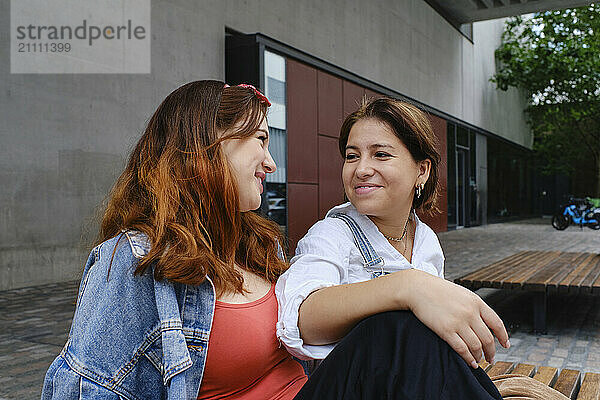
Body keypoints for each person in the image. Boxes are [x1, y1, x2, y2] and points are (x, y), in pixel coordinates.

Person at [42, 80, 308, 399]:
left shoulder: (260, 243)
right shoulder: (136, 260)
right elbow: (92, 387)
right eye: (261, 140)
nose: (271, 163)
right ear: (210, 141)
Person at [276, 97, 510, 399]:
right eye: (351, 156)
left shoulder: (426, 241)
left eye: (381, 155)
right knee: (396, 325)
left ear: (421, 171)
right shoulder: (332, 233)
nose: (361, 169)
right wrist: (406, 287)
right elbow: (299, 320)